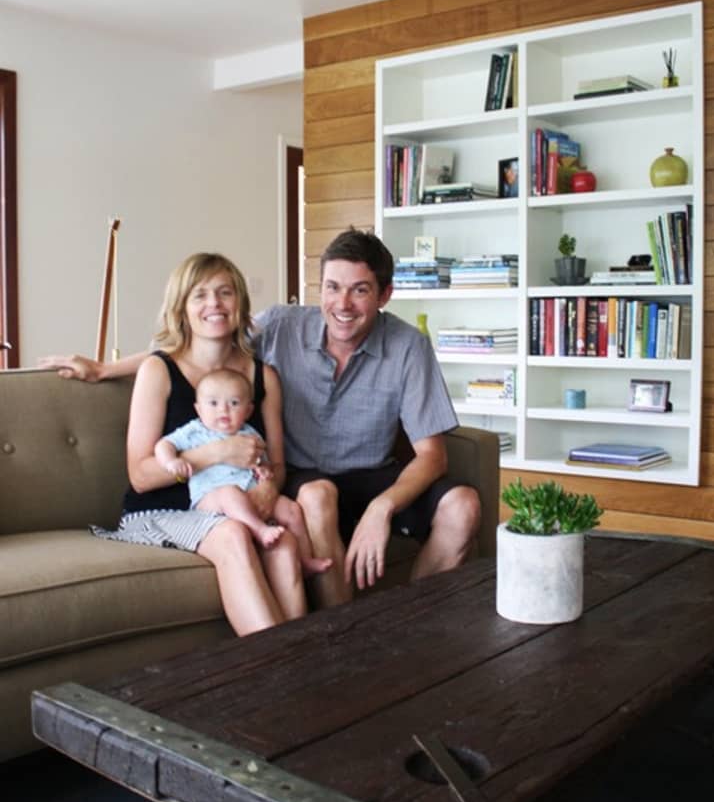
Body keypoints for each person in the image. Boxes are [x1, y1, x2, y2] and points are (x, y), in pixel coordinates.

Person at [41, 230, 482, 609]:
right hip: (308, 479)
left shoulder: (408, 347)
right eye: (332, 287)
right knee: (318, 495)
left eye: (360, 290)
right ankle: (347, 638)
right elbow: (198, 342)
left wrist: (382, 508)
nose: (342, 304)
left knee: (464, 506)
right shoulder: (283, 326)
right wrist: (103, 369)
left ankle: (409, 625)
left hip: (373, 475)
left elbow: (433, 456)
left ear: (384, 295)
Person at [85, 252, 315, 636]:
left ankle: (298, 663)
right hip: (159, 511)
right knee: (233, 534)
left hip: (238, 505)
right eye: (200, 295)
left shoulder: (264, 377)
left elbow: (277, 464)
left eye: (225, 293)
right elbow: (140, 476)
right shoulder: (157, 370)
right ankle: (282, 668)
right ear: (181, 308)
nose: (214, 304)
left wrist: (267, 489)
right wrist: (215, 454)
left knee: (285, 544)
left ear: (240, 303)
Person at [155, 366, 331, 574]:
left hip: (252, 495)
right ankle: (260, 530)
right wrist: (171, 462)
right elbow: (164, 444)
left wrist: (264, 471)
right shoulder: (195, 430)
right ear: (199, 409)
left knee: (292, 510)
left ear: (248, 410)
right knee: (230, 494)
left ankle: (306, 560)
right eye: (213, 403)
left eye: (234, 403)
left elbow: (261, 463)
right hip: (211, 499)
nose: (223, 410)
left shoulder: (250, 434)